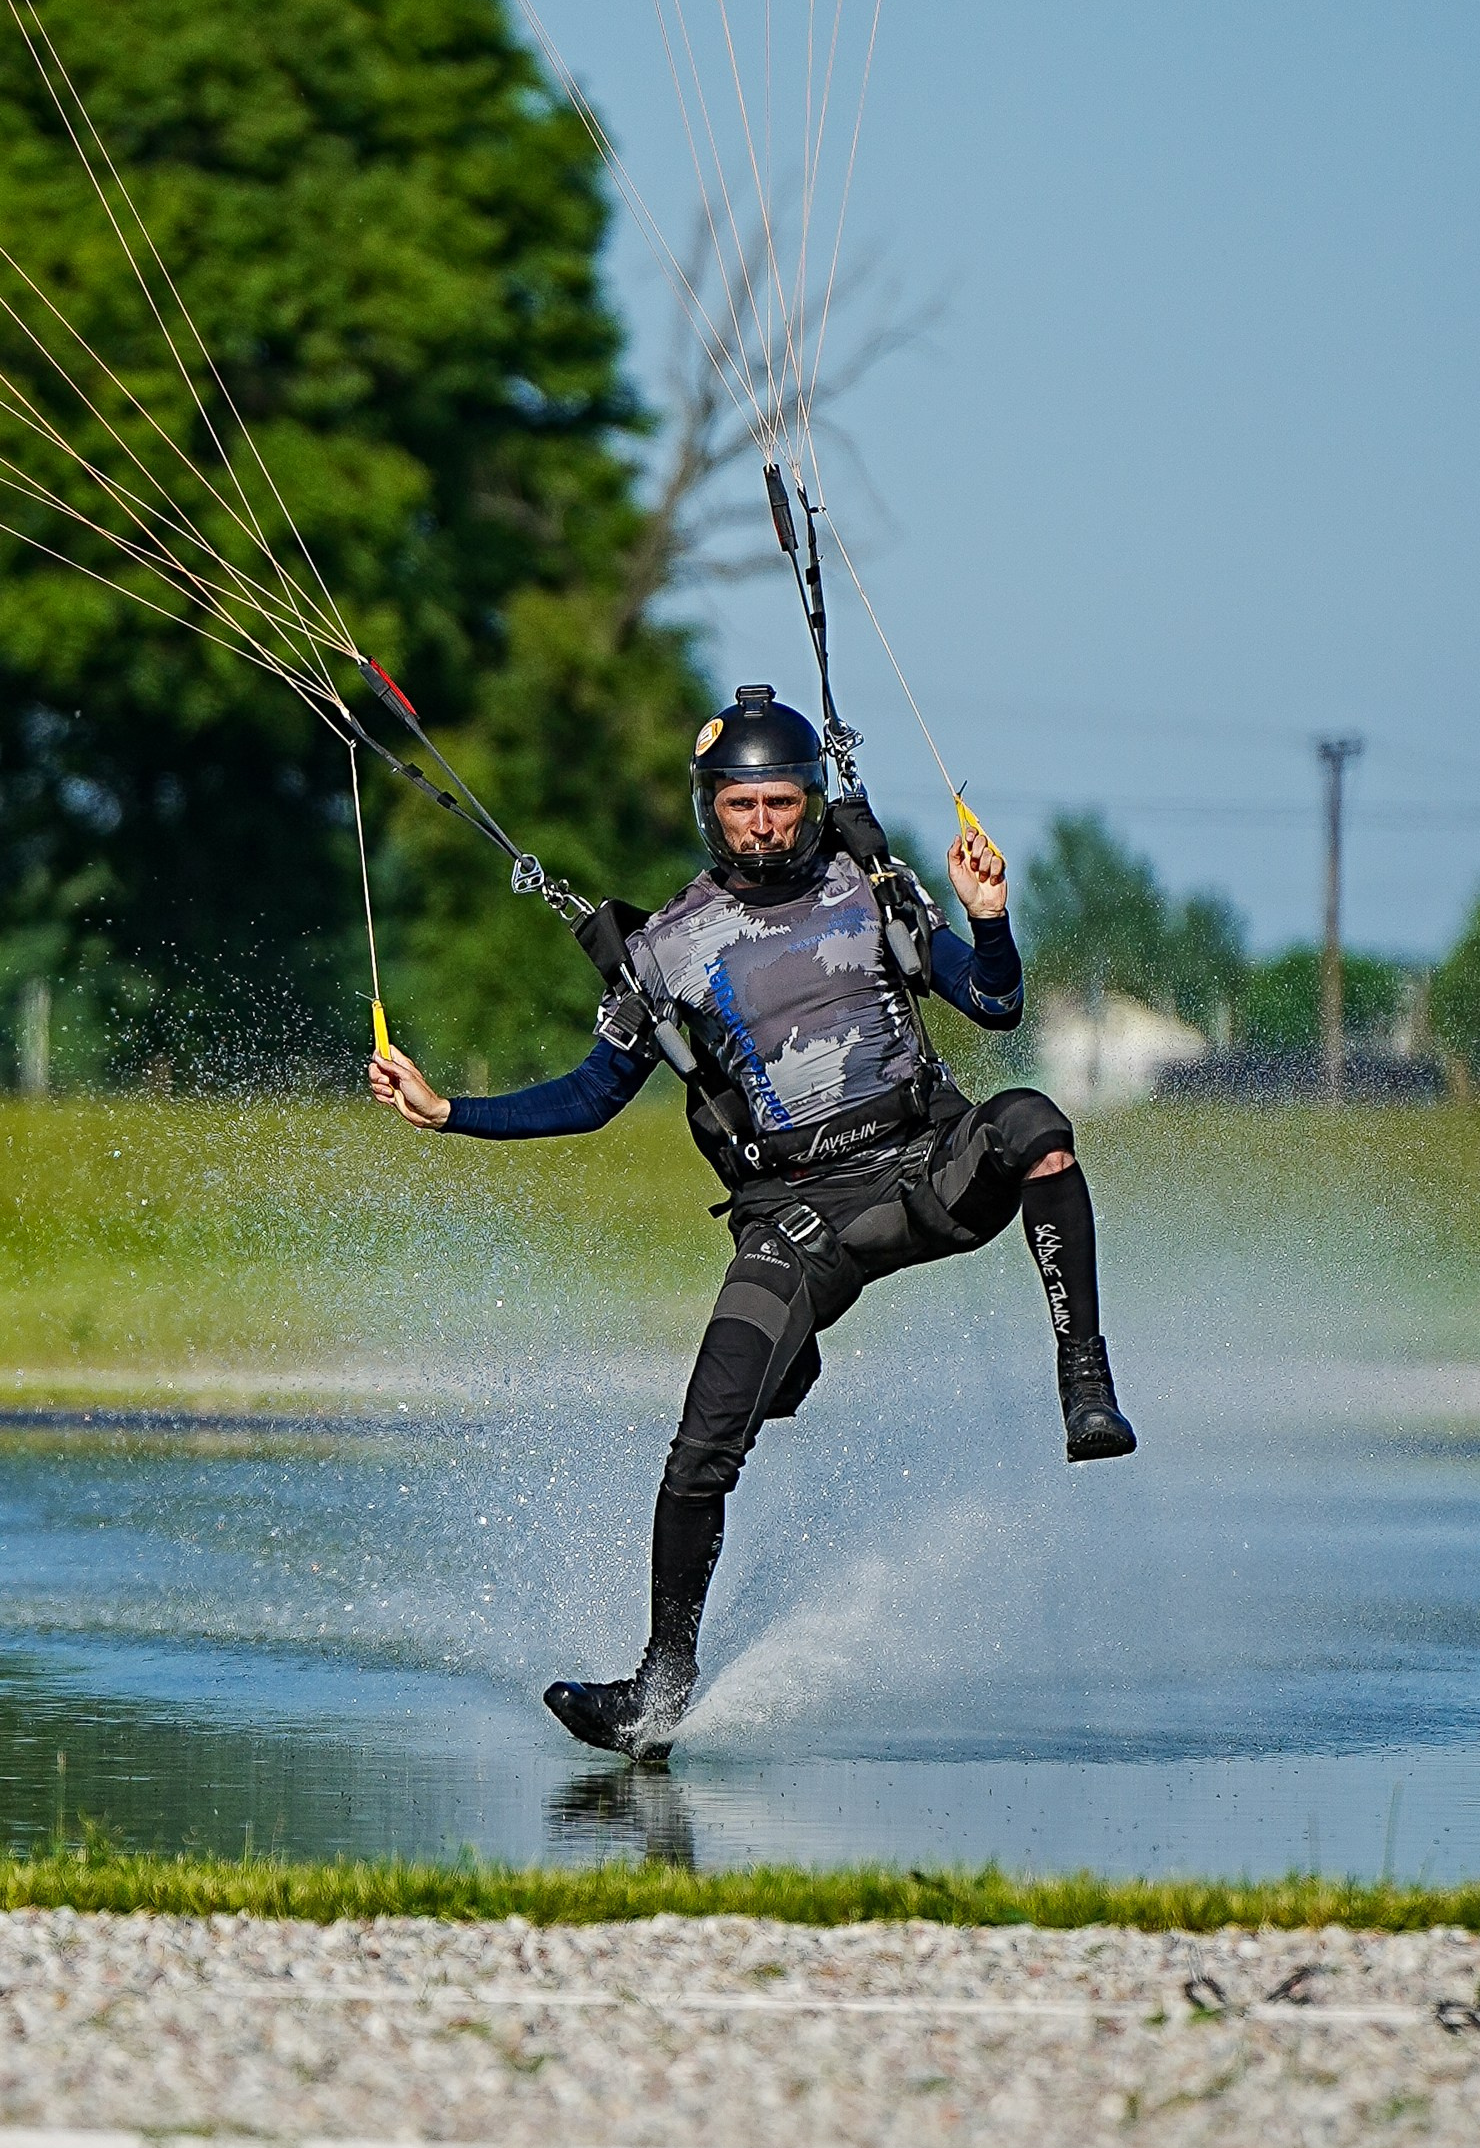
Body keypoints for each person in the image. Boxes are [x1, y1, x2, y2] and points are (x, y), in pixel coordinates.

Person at [367, 684, 1137, 1760]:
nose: (765, 824)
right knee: (700, 1450)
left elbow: (996, 1004)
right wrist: (451, 1111)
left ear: (810, 800)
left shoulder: (873, 889)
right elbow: (590, 1096)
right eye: (743, 806)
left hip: (925, 1170)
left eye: (781, 803)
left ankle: (1085, 1382)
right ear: (711, 810)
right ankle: (658, 1689)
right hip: (796, 1223)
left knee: (1036, 1126)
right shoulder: (668, 947)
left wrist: (990, 918)